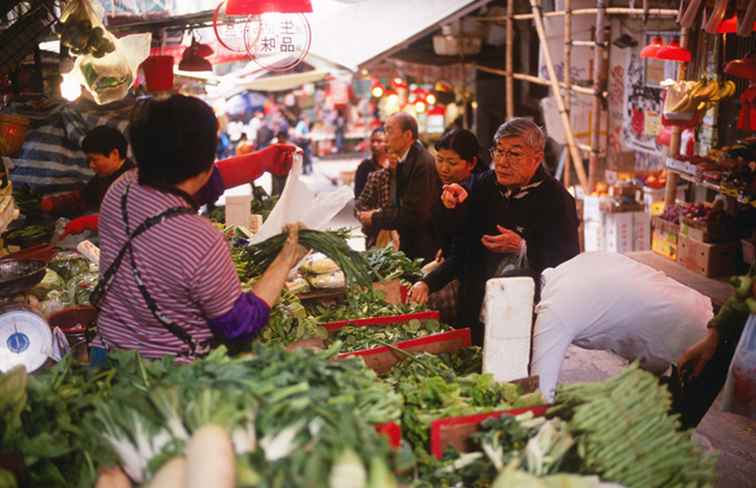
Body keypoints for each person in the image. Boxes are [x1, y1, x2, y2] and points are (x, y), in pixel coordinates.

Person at [93, 95, 306, 360]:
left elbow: (194, 183)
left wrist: (261, 161)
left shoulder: (121, 189)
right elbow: (239, 326)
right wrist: (286, 259)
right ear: (207, 160)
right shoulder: (199, 238)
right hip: (166, 380)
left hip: (107, 357)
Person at [410, 118, 579, 345]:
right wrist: (428, 282)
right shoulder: (485, 186)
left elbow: (567, 267)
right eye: (499, 151)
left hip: (527, 317)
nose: (502, 162)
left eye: (514, 154)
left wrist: (523, 247)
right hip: (475, 308)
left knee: (517, 375)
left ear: (537, 158)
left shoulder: (558, 200)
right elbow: (462, 249)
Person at [529, 252, 712, 402]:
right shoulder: (573, 265)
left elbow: (540, 394)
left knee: (671, 436)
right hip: (697, 312)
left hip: (695, 348)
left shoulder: (554, 311)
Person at [356, 112, 439, 262]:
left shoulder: (422, 164)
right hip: (409, 243)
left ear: (407, 135)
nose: (385, 136)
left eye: (389, 130)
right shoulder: (407, 160)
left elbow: (413, 213)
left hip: (422, 247)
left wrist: (375, 217)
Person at [422, 128, 482, 325]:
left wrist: (428, 283)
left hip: (471, 278)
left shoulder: (477, 191)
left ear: (472, 163)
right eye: (440, 160)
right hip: (452, 266)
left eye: (452, 162)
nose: (444, 168)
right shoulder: (445, 187)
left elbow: (465, 247)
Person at [40, 125, 135, 217]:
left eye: (95, 159)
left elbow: (121, 219)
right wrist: (52, 204)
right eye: (89, 160)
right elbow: (83, 198)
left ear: (114, 154)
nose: (91, 165)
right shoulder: (103, 176)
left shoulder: (133, 181)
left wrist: (89, 222)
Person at [354, 150, 400, 249]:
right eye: (390, 152)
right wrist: (373, 215)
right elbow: (359, 207)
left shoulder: (414, 178)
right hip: (378, 238)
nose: (393, 156)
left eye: (397, 153)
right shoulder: (377, 177)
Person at [354, 127, 388, 198]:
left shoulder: (394, 164)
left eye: (379, 141)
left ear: (387, 142)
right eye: (372, 141)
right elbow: (358, 194)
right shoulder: (364, 166)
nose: (374, 144)